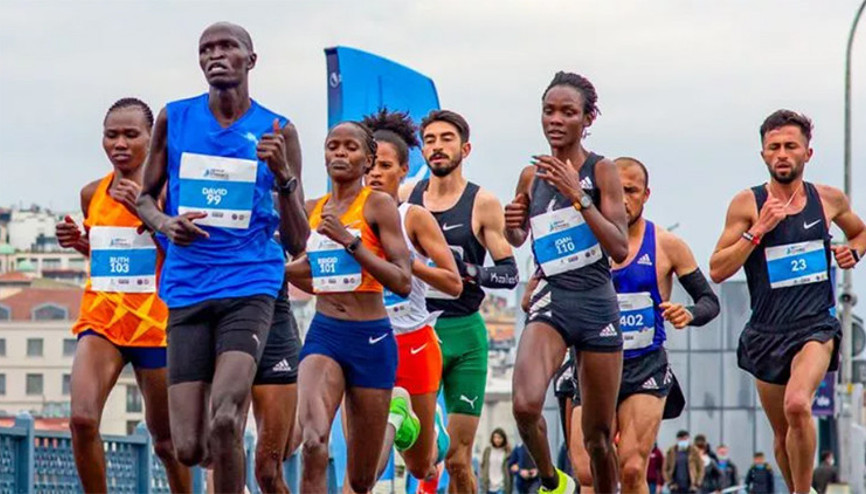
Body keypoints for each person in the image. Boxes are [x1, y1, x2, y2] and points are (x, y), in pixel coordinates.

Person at [137, 22, 308, 492]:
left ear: (251, 60)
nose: (216, 55)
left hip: (249, 285)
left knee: (228, 418)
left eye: (228, 47)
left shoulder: (278, 130)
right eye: (206, 49)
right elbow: (145, 198)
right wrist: (164, 224)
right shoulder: (175, 118)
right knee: (188, 446)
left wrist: (285, 177)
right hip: (189, 286)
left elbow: (298, 240)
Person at [709, 110, 866, 494]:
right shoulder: (746, 204)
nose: (782, 154)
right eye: (774, 147)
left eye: (790, 146)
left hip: (815, 325)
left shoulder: (827, 199)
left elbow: (860, 233)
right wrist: (758, 230)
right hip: (767, 331)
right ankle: (802, 487)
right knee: (782, 435)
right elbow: (716, 269)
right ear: (763, 154)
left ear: (807, 153)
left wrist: (854, 251)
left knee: (798, 404)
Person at [504, 71, 629, 494]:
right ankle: (552, 482)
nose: (555, 120)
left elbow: (619, 247)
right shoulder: (531, 175)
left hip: (596, 304)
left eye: (567, 112)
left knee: (596, 437)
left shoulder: (603, 170)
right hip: (552, 301)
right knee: (524, 405)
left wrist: (580, 195)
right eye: (548, 111)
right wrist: (513, 227)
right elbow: (520, 238)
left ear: (587, 118)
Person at [57, 98, 190, 493]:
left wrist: (147, 215)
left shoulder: (168, 191)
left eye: (131, 135)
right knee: (82, 420)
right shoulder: (92, 194)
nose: (119, 143)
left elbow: (184, 255)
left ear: (151, 140)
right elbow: (110, 255)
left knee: (167, 442)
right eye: (111, 134)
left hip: (157, 326)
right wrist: (80, 243)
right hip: (102, 321)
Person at [566, 157, 720, 494]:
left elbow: (710, 301)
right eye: (615, 190)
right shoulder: (581, 243)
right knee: (587, 472)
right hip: (592, 364)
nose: (622, 199)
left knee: (633, 467)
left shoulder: (667, 244)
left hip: (645, 365)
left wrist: (689, 312)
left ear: (646, 195)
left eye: (631, 191)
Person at [285, 121, 412, 494]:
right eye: (332, 146)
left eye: (350, 148)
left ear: (369, 160)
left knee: (359, 480)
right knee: (312, 441)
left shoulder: (378, 205)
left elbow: (402, 281)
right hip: (325, 334)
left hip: (371, 339)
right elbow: (309, 272)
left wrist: (349, 241)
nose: (339, 153)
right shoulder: (311, 210)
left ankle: (393, 420)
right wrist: (273, 271)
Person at [400, 108, 519, 494]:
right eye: (430, 140)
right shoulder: (405, 198)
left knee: (458, 459)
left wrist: (466, 272)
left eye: (446, 139)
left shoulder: (482, 203)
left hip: (465, 333)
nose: (437, 147)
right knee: (422, 457)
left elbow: (509, 272)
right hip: (419, 331)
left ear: (465, 148)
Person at [362, 109, 460, 488]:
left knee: (422, 466)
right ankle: (397, 415)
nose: (374, 173)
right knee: (364, 456)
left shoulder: (412, 217)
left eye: (385, 165)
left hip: (412, 342)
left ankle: (430, 428)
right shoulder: (348, 217)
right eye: (370, 164)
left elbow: (453, 283)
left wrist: (406, 263)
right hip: (363, 341)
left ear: (404, 170)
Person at [481, 428, 513, 494]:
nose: (497, 440)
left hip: (501, 486)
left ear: (503, 439)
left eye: (499, 438)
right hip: (488, 485)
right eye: (495, 437)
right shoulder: (487, 450)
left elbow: (510, 471)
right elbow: (483, 466)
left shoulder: (507, 452)